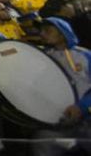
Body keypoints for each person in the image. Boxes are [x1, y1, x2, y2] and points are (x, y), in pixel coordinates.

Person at [33, 17, 91, 156]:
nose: (42, 34)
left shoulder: (85, 55)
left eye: (48, 30)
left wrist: (82, 107)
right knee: (41, 142)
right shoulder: (40, 57)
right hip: (56, 124)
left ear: (63, 32)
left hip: (87, 118)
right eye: (41, 31)